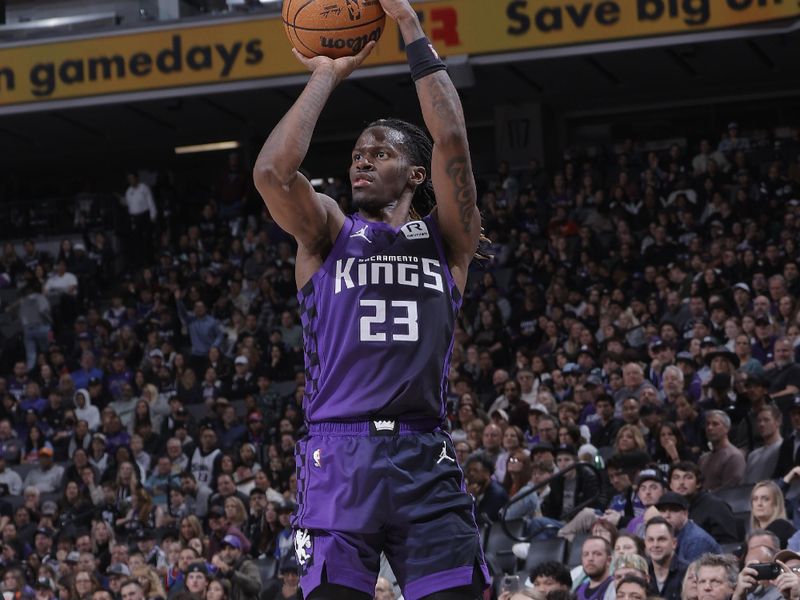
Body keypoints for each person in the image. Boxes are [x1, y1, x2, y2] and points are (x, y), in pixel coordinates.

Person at [253, 0, 487, 597]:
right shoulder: (328, 232)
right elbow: (272, 175)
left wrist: (408, 23)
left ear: (415, 174)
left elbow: (453, 137)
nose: (362, 158)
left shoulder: (450, 241)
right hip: (339, 453)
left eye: (379, 152)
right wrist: (326, 74)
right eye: (357, 152)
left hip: (423, 452)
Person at [655, 492, 721, 562]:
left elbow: (691, 572)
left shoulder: (697, 540)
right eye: (662, 510)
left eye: (673, 510)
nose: (667, 515)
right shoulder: (668, 534)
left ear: (685, 513)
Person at [644, 516, 688, 600]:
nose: (655, 545)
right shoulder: (641, 573)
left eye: (661, 539)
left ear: (674, 543)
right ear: (645, 543)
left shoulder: (687, 573)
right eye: (650, 540)